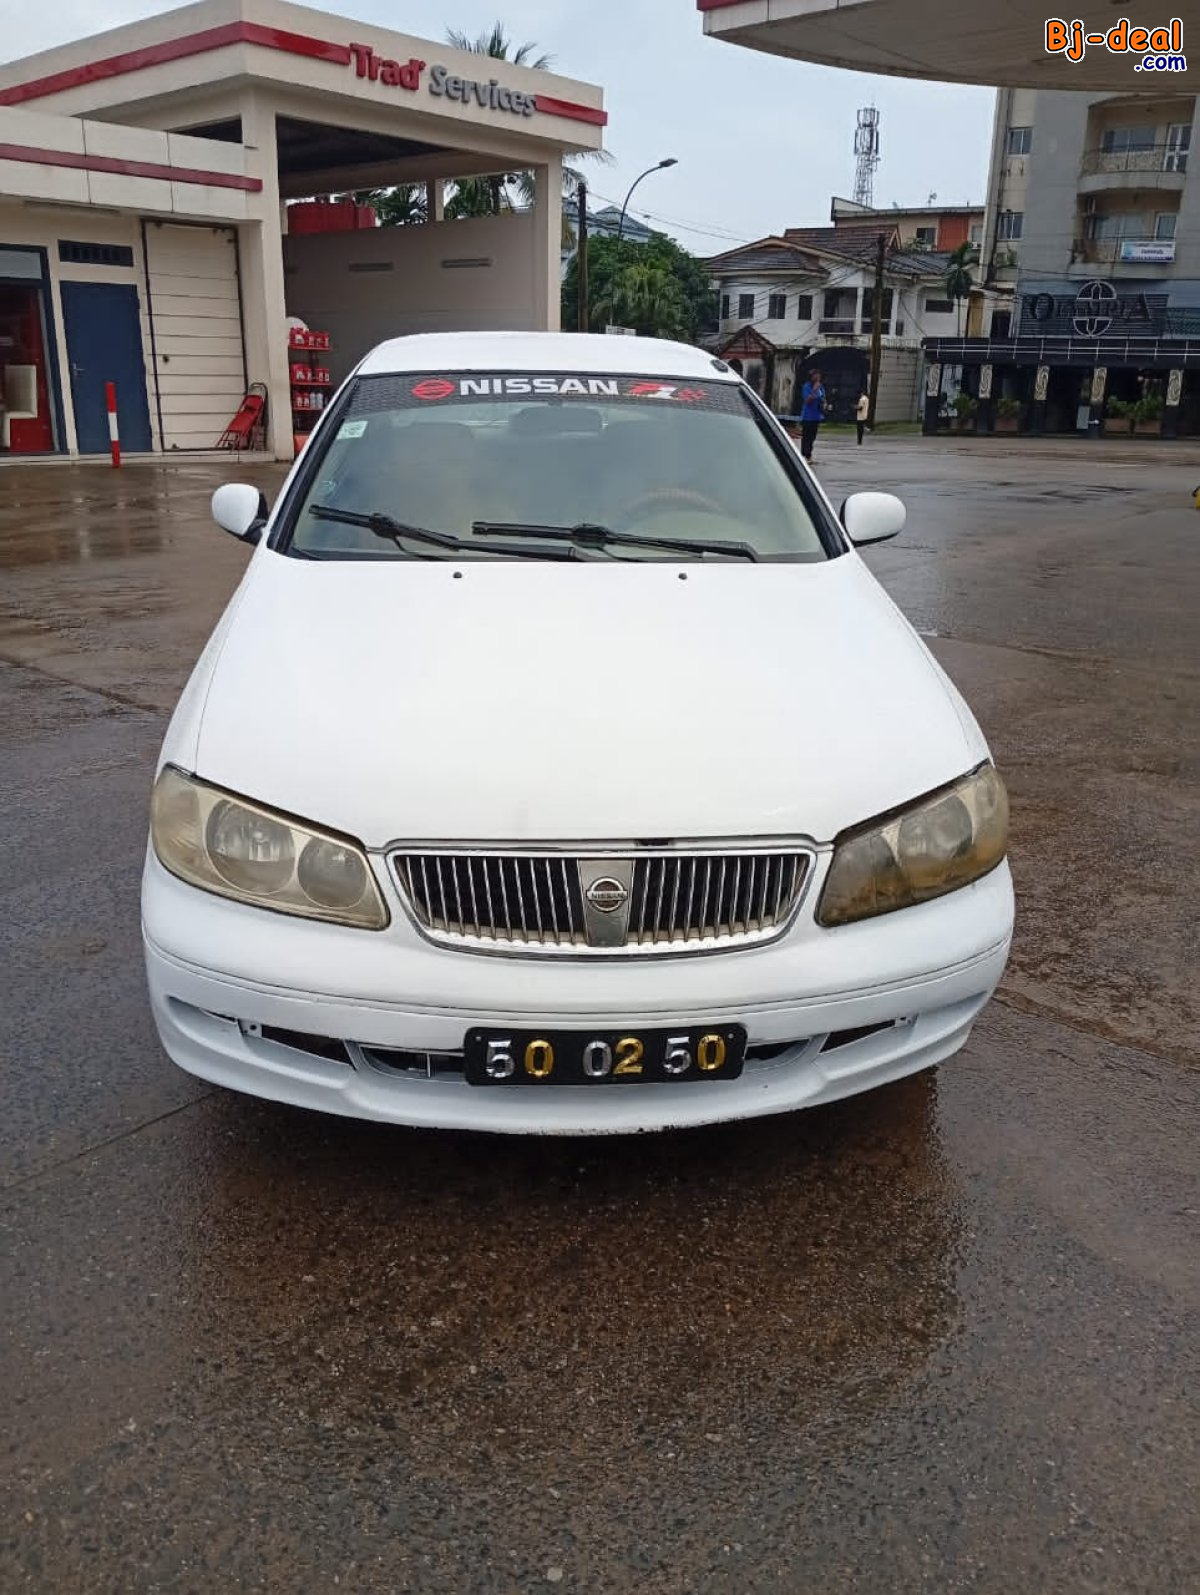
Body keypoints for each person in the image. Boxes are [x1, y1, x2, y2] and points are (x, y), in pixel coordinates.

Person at [798, 367, 826, 462]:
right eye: (815, 375)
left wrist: (825, 404)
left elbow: (822, 399)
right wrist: (814, 390)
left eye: (819, 375)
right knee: (806, 436)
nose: (818, 377)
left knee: (812, 437)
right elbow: (807, 401)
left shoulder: (821, 387)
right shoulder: (807, 387)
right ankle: (805, 455)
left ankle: (808, 455)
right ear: (811, 377)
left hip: (816, 416)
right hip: (808, 416)